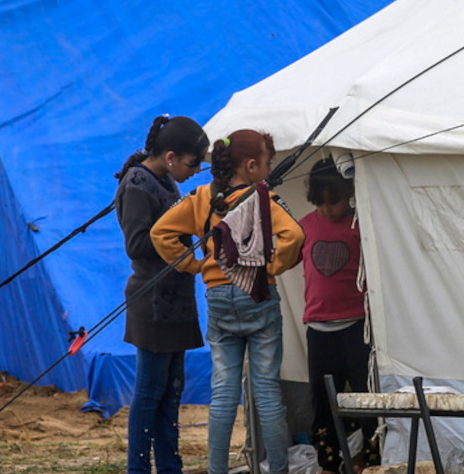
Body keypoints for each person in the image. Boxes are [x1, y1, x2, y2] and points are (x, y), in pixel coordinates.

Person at [150, 129, 303, 474]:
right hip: (257, 294)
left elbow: (160, 232)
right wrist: (272, 266)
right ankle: (278, 468)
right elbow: (294, 234)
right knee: (266, 390)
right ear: (251, 166)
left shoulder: (201, 196)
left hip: (218, 297)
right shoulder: (264, 198)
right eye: (267, 163)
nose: (268, 170)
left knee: (223, 392)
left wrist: (195, 264)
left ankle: (217, 469)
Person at [115, 115, 210, 474]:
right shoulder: (138, 183)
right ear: (170, 156)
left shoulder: (166, 179)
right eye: (192, 162)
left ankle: (170, 465)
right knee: (150, 391)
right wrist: (178, 232)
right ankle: (138, 467)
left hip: (176, 300)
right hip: (153, 302)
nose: (197, 169)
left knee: (171, 391)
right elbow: (137, 243)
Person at [298, 157, 379, 474]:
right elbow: (286, 259)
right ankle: (328, 462)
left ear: (349, 193)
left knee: (364, 396)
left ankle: (370, 459)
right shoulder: (304, 226)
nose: (328, 210)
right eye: (321, 204)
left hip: (357, 324)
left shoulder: (361, 225)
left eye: (335, 202)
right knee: (322, 397)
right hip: (318, 327)